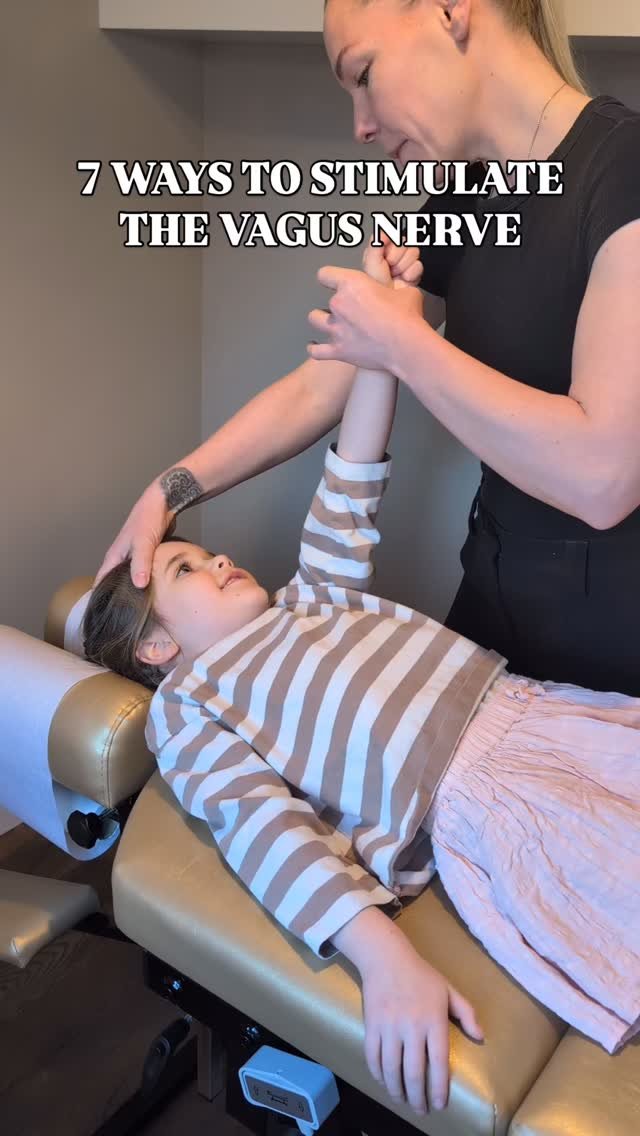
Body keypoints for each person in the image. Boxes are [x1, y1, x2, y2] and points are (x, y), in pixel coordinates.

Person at [85, 245, 640, 1122]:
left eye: (207, 550)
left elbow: (355, 466)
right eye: (188, 568)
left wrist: (386, 324)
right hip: (485, 802)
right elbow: (265, 834)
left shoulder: (313, 596)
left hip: (541, 716)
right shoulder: (192, 711)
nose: (220, 559)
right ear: (155, 648)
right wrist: (382, 957)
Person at [95, 0, 640, 698]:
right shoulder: (473, 193)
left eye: (364, 74)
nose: (361, 126)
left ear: (451, 11)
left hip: (612, 646)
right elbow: (324, 382)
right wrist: (169, 490)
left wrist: (403, 343)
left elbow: (603, 478)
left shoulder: (623, 168)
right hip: (493, 616)